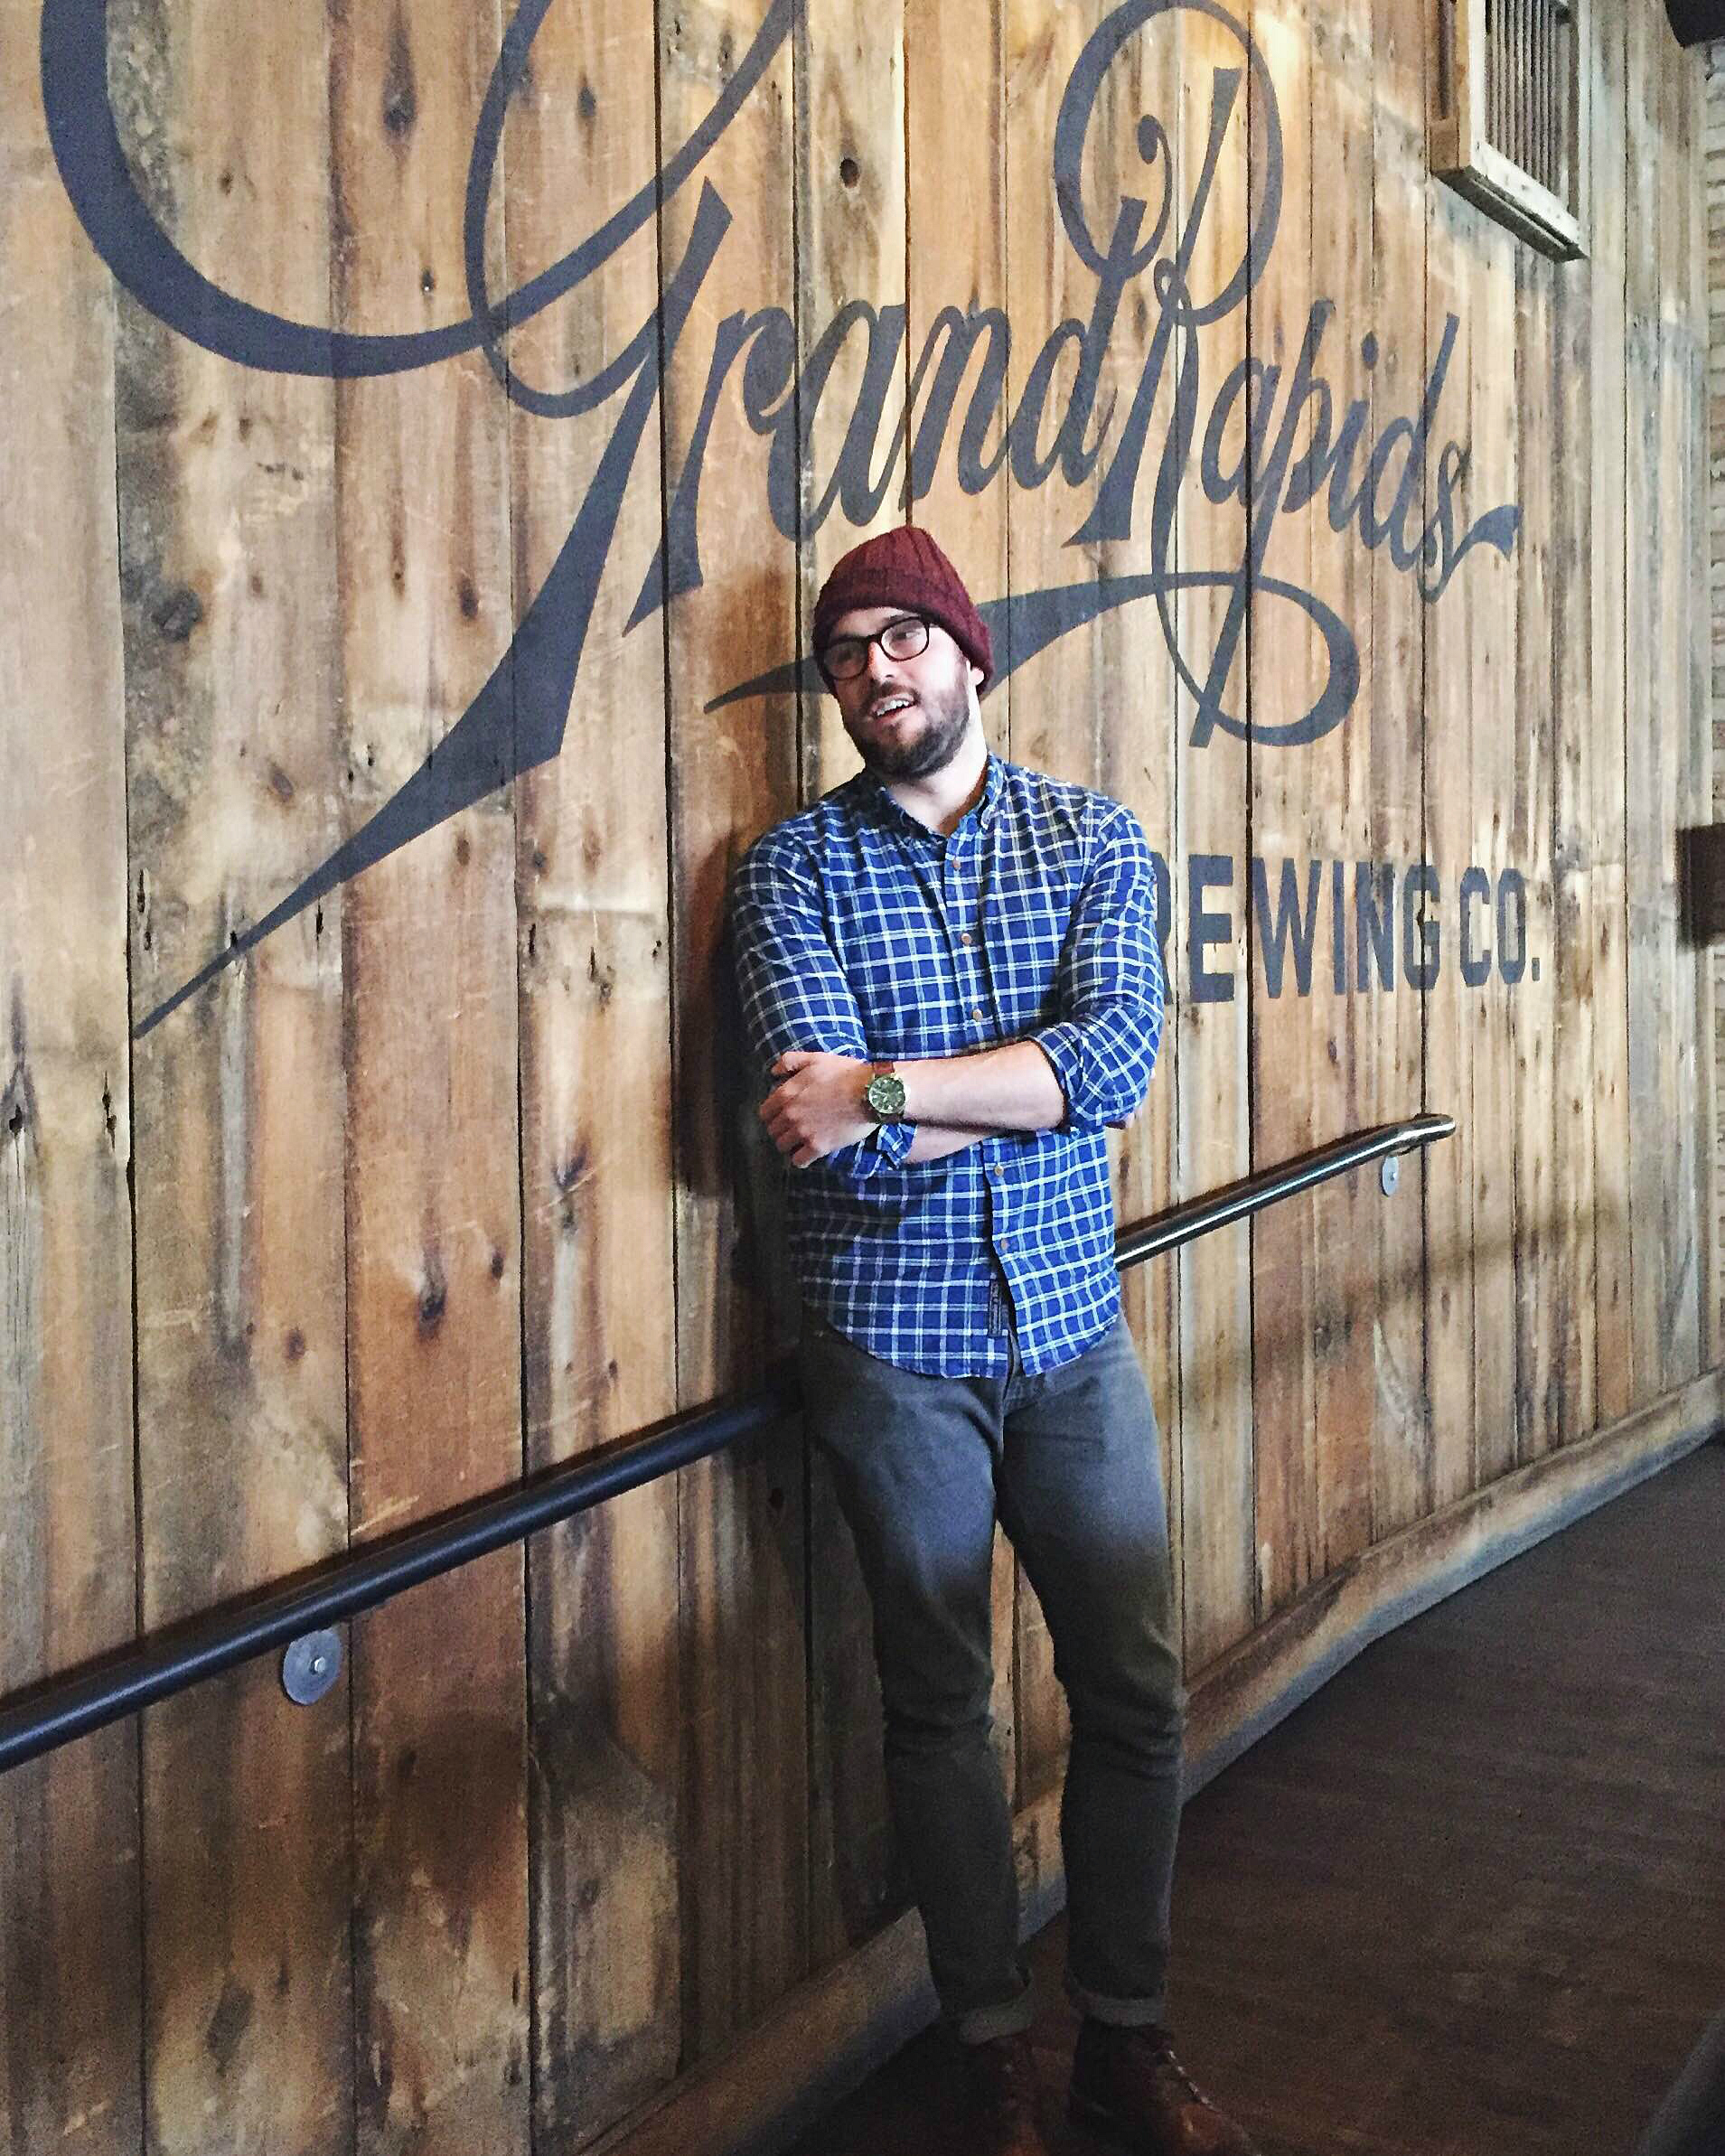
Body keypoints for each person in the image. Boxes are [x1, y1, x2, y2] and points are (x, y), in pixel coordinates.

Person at [728, 525, 1257, 2156]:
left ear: (968, 655)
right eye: (844, 652)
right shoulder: (789, 869)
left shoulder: (1094, 838)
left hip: (1068, 1329)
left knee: (1133, 1690)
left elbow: (1105, 1065)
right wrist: (976, 1096)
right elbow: (813, 1135)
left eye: (901, 638)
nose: (872, 670)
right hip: (888, 1349)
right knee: (939, 1702)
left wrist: (890, 1082)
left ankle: (1124, 2038)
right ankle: (990, 2050)